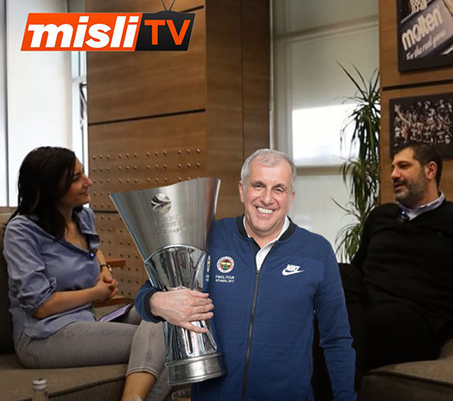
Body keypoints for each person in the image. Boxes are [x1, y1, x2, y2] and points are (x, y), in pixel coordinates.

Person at [134, 149, 355, 401]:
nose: (267, 199)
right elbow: (144, 295)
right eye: (258, 186)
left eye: (278, 189)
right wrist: (157, 303)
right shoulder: (207, 238)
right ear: (242, 190)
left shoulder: (317, 251)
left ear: (290, 197)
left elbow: (336, 339)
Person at [319, 142, 453, 395]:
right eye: (392, 167)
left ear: (430, 170)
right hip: (366, 309)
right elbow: (358, 268)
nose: (393, 174)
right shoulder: (381, 216)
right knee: (339, 273)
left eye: (403, 166)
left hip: (416, 322)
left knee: (327, 333)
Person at [3, 146, 169, 401]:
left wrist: (103, 269)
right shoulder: (21, 231)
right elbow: (41, 306)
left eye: (84, 173)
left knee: (165, 308)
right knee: (166, 338)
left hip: (86, 319)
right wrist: (96, 292)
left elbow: (93, 248)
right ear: (50, 187)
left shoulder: (83, 217)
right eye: (76, 178)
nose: (88, 182)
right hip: (43, 335)